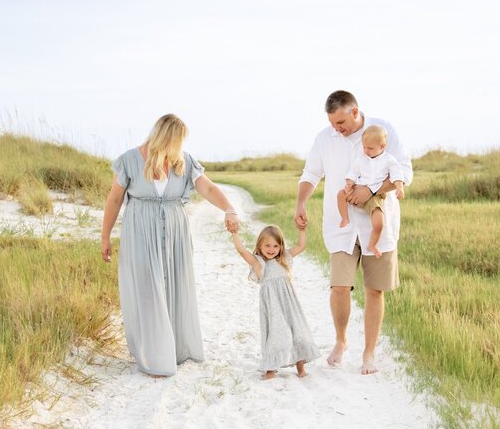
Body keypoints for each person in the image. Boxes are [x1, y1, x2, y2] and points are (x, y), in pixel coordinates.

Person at [100, 113, 240, 378]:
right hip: (140, 231)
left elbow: (208, 189)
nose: (181, 146)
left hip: (175, 232)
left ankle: (175, 349)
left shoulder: (183, 161)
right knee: (148, 289)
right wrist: (105, 237)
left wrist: (229, 209)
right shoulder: (130, 160)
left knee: (175, 285)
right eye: (178, 140)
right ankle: (154, 356)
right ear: (166, 137)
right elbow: (114, 199)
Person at [295, 90, 413, 375]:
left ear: (355, 112)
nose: (337, 128)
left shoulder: (383, 131)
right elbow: (311, 174)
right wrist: (300, 202)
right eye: (333, 123)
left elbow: (404, 173)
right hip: (341, 224)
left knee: (374, 290)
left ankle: (369, 353)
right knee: (339, 287)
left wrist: (370, 190)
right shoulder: (324, 138)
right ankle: (341, 340)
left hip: (378, 223)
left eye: (341, 123)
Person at [230, 224, 320, 380]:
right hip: (273, 308)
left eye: (275, 246)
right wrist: (235, 234)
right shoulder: (259, 263)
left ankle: (300, 367)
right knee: (277, 335)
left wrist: (302, 230)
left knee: (297, 332)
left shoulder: (284, 258)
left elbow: (301, 245)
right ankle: (270, 368)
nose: (271, 249)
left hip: (289, 305)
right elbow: (242, 251)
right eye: (267, 245)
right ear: (260, 245)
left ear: (281, 246)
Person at [337, 124, 405, 258]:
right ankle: (345, 218)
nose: (366, 151)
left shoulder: (388, 160)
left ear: (382, 146)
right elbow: (353, 171)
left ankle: (372, 245)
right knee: (340, 195)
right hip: (358, 189)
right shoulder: (361, 158)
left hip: (374, 196)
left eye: (370, 148)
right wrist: (349, 183)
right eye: (364, 147)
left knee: (379, 223)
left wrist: (399, 187)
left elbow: (397, 174)